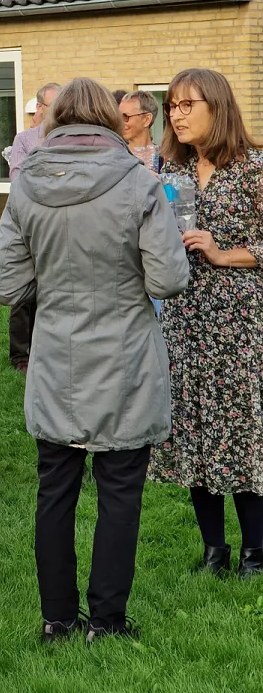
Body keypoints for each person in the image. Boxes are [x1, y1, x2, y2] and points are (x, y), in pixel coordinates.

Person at [0, 77, 189, 643]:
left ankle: (57, 618)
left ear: (56, 121)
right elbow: (168, 279)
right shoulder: (140, 182)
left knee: (55, 489)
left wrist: (51, 276)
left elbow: (4, 284)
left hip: (57, 353)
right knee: (120, 490)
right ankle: (107, 619)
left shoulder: (26, 186)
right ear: (109, 118)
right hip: (125, 355)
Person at [149, 69, 263, 579]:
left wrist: (223, 253)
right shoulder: (170, 170)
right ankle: (214, 550)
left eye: (186, 105)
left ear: (216, 106)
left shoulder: (253, 167)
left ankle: (255, 551)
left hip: (238, 323)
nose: (176, 115)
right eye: (171, 106)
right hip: (183, 315)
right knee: (192, 426)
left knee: (240, 428)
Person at [5, 82, 61, 373]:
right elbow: (18, 177)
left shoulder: (66, 139)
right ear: (40, 107)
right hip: (29, 223)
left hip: (58, 223)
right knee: (24, 287)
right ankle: (20, 355)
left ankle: (47, 347)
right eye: (54, 106)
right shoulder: (25, 139)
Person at [119, 91, 160, 163]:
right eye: (118, 117)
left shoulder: (165, 157)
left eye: (126, 116)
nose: (121, 122)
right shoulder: (116, 156)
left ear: (146, 119)